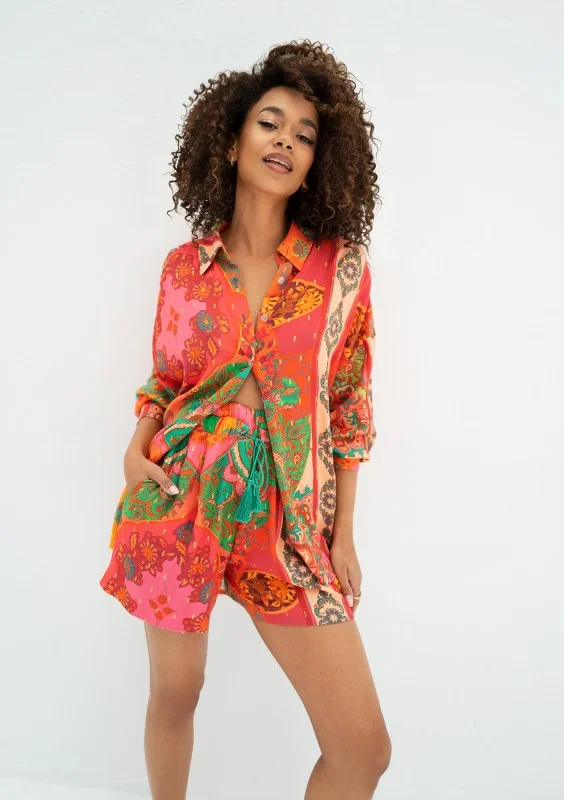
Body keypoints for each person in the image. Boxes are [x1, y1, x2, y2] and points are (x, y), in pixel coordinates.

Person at [100, 39, 391, 799]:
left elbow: (349, 403)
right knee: (176, 693)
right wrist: (136, 450)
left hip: (288, 521)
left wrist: (342, 530)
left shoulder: (342, 271)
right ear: (231, 143)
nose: (286, 140)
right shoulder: (182, 269)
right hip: (180, 497)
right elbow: (165, 383)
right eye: (270, 123)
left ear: (316, 163)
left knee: (362, 750)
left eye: (305, 134)